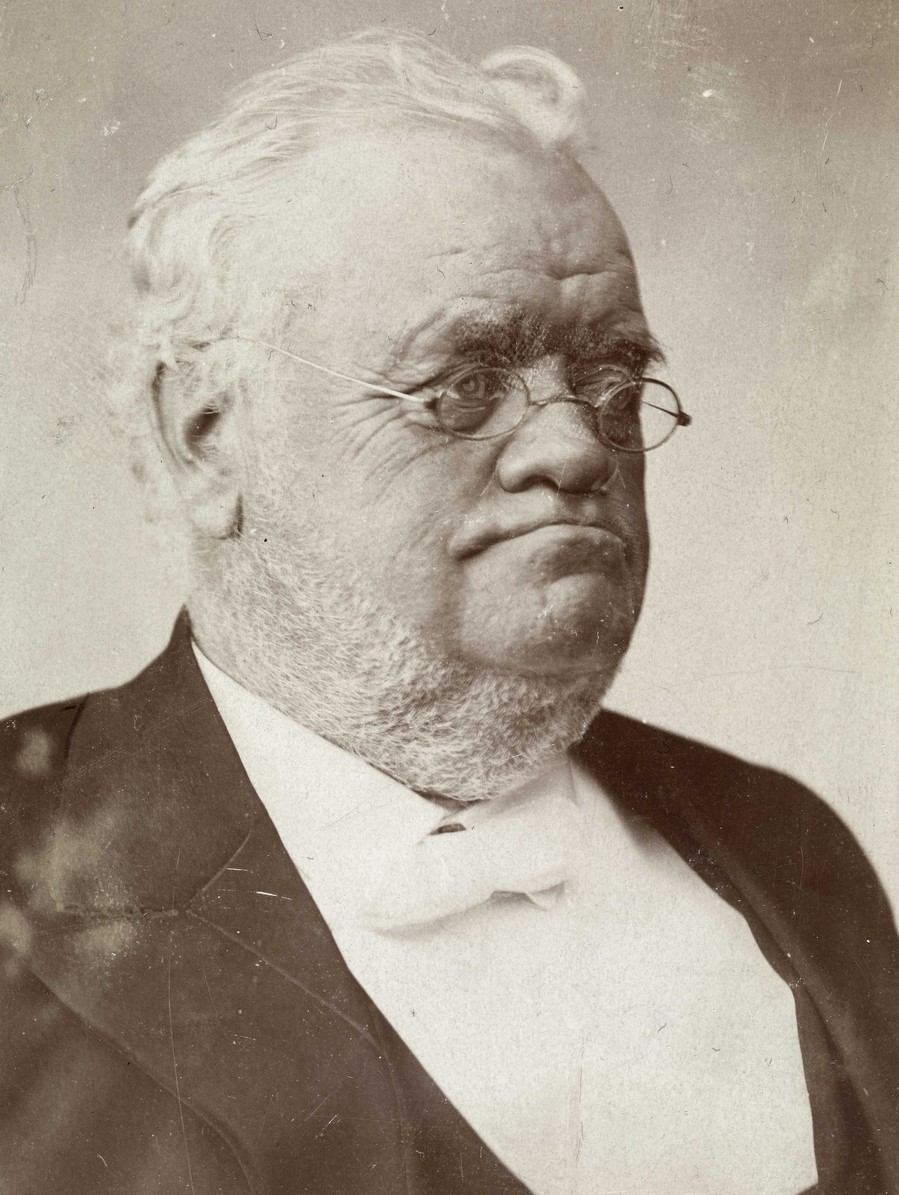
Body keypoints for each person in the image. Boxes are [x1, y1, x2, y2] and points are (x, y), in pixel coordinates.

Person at [1, 29, 896, 1195]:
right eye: (463, 385)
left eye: (613, 383)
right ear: (207, 436)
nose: (577, 446)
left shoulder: (785, 848)